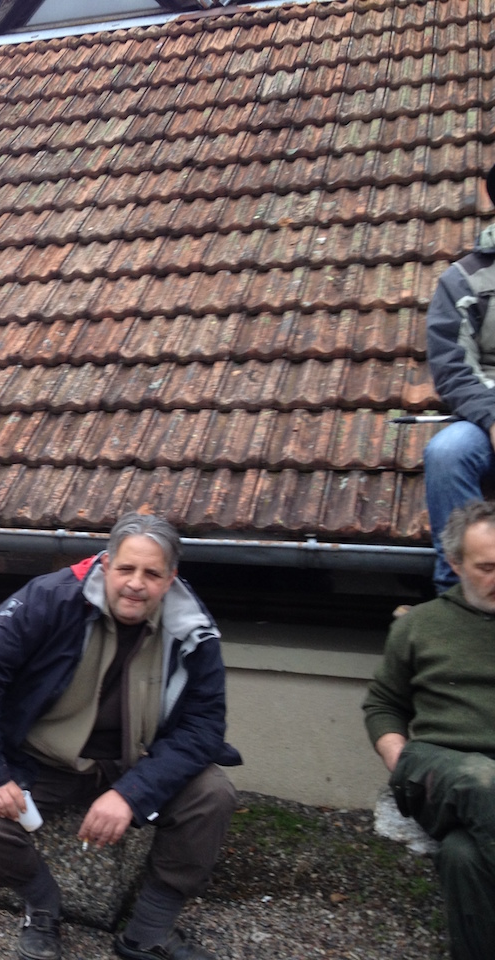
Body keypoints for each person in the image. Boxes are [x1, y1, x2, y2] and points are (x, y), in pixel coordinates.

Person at [0, 513, 240, 960]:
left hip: (136, 761)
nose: (136, 584)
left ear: (170, 579)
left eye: (151, 573)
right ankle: (42, 906)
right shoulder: (51, 599)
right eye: (126, 568)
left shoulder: (192, 629)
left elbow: (204, 726)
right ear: (105, 565)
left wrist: (132, 793)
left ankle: (149, 930)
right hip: (42, 763)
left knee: (213, 794)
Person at [363, 498, 495, 960]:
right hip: (438, 766)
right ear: (456, 564)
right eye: (487, 568)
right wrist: (398, 758)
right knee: (483, 779)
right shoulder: (420, 626)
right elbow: (383, 704)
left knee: (463, 855)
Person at [422, 162, 495, 595]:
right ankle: (457, 594)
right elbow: (453, 366)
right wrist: (492, 418)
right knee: (447, 453)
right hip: (488, 411)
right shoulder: (464, 278)